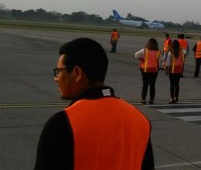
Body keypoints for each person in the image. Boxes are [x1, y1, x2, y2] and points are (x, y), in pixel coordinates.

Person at [35, 38, 154, 170]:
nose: (56, 78)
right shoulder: (140, 120)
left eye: (59, 71)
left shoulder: (61, 124)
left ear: (77, 73)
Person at [134, 38, 160, 104]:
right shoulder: (158, 52)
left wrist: (142, 59)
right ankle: (151, 99)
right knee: (152, 85)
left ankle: (143, 99)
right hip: (154, 69)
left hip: (145, 69)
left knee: (145, 85)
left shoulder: (145, 50)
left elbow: (136, 55)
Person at [164, 40, 185, 104]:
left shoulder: (171, 52)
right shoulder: (181, 52)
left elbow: (168, 62)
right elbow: (185, 52)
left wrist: (166, 69)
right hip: (179, 70)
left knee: (172, 85)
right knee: (177, 84)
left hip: (172, 70)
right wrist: (180, 48)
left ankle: (172, 98)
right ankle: (176, 97)